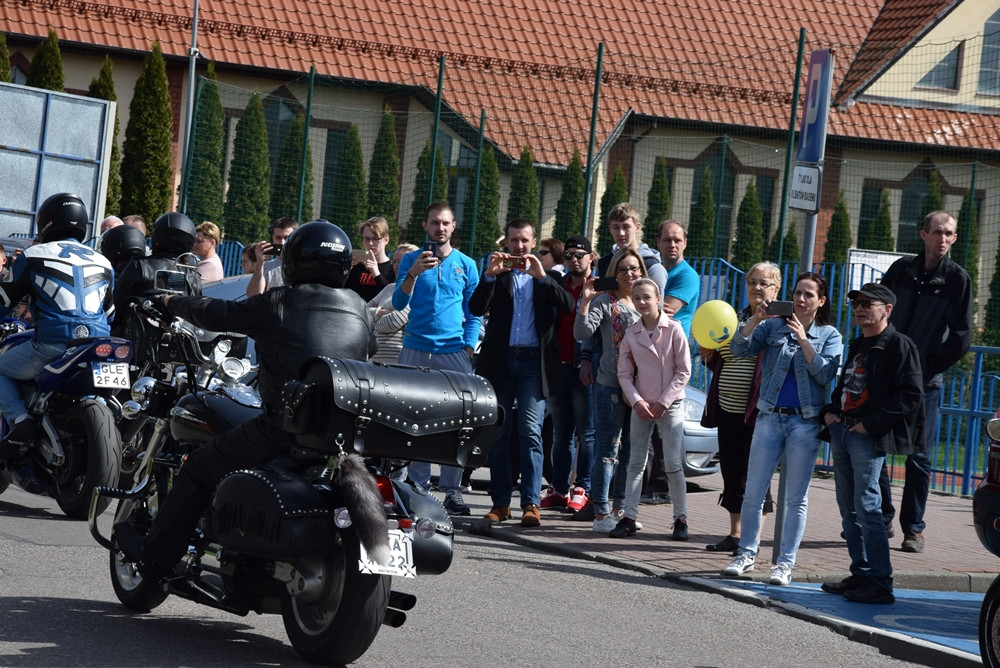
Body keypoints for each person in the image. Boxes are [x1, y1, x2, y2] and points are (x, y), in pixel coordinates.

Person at [113, 220, 376, 578]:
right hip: (339, 436)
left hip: (283, 429)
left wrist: (172, 300)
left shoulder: (280, 302)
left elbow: (217, 313)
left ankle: (156, 559)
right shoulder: (360, 308)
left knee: (197, 469)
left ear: (294, 262)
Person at [723, 271, 843, 586]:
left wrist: (804, 341)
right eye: (798, 293)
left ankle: (784, 564)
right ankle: (745, 554)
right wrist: (754, 320)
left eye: (808, 295)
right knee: (753, 491)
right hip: (769, 417)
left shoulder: (829, 335)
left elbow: (825, 374)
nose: (801, 300)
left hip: (804, 421)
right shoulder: (773, 326)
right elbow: (738, 349)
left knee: (795, 498)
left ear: (820, 301)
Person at [819, 283, 924, 605]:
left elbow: (911, 395)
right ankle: (861, 572)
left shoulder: (899, 346)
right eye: (856, 304)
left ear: (887, 310)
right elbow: (847, 385)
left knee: (867, 507)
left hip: (867, 437)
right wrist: (831, 413)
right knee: (847, 509)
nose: (860, 308)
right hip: (844, 432)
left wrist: (871, 425)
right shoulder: (859, 344)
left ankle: (880, 582)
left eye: (868, 303)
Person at [878, 210, 972, 554]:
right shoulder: (901, 270)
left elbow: (961, 337)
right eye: (938, 232)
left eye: (949, 233)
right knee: (877, 448)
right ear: (924, 234)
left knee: (919, 457)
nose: (943, 239)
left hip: (925, 384)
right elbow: (879, 310)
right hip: (887, 375)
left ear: (954, 238)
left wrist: (924, 367)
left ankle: (913, 529)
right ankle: (882, 517)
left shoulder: (957, 280)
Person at [470, 219, 574, 527]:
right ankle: (500, 503)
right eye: (514, 241)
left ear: (533, 242)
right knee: (499, 434)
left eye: (525, 241)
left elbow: (567, 304)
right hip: (500, 363)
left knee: (530, 432)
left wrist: (541, 277)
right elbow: (475, 308)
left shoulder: (548, 275)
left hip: (533, 363)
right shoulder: (497, 276)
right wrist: (489, 276)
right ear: (506, 243)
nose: (519, 247)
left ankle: (531, 503)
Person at [0, 193, 114, 451]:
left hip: (53, 344)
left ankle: (20, 422)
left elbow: (5, 300)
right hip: (97, 345)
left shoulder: (34, 254)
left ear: (46, 222)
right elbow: (110, 312)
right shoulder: (104, 261)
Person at [392, 202, 482, 516]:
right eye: (434, 223)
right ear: (425, 225)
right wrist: (413, 273)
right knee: (413, 419)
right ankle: (418, 489)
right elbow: (398, 300)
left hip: (453, 352)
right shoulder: (411, 260)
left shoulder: (467, 265)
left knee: (458, 422)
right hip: (415, 348)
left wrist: (468, 348)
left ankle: (453, 491)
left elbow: (475, 314)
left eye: (445, 223)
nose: (440, 228)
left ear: (453, 226)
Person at [701, 262, 780, 553]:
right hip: (726, 409)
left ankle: (753, 538)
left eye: (764, 283)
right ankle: (735, 534)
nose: (757, 288)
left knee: (755, 474)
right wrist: (707, 355)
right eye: (752, 283)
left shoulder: (778, 322)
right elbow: (723, 360)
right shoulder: (732, 318)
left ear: (776, 289)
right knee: (731, 472)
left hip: (758, 412)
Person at [573, 247, 645, 532]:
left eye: (634, 268)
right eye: (623, 269)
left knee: (631, 450)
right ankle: (601, 513)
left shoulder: (645, 300)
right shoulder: (606, 301)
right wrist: (585, 302)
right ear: (614, 272)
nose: (629, 274)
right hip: (610, 386)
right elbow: (582, 334)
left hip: (640, 388)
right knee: (608, 449)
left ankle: (621, 510)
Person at [613, 278, 691, 540]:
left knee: (672, 464)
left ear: (659, 299)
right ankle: (629, 517)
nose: (642, 302)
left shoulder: (674, 329)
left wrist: (663, 402)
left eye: (647, 297)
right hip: (642, 405)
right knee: (635, 463)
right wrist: (637, 401)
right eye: (637, 298)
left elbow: (683, 371)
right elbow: (624, 373)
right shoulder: (631, 333)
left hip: (669, 405)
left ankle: (680, 519)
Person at [640, 219, 702, 506]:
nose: (672, 245)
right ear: (658, 242)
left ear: (685, 243)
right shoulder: (656, 271)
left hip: (673, 358)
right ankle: (645, 485)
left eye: (677, 239)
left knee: (667, 425)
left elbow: (666, 309)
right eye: (667, 240)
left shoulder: (686, 275)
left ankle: (662, 487)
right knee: (648, 422)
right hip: (650, 355)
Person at [542, 235, 597, 513]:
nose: (574, 260)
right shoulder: (557, 285)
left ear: (591, 257)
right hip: (557, 366)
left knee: (587, 434)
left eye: (579, 255)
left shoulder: (597, 288)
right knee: (561, 434)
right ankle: (560, 489)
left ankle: (582, 488)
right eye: (569, 255)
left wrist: (588, 359)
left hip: (584, 369)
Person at [111, 212, 202, 364]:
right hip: (176, 352)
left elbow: (117, 305)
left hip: (133, 349)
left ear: (157, 235)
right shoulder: (193, 277)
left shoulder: (139, 265)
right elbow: (196, 315)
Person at [595, 203, 667, 296]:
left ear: (637, 227)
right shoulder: (603, 263)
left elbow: (656, 307)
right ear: (610, 229)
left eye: (626, 227)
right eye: (616, 227)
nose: (621, 233)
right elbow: (598, 300)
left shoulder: (652, 266)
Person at [367, 243, 417, 364]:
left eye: (401, 262)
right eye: (394, 262)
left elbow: (392, 322)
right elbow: (364, 311)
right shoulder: (389, 288)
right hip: (373, 360)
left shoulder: (417, 290)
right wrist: (381, 312)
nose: (396, 266)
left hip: (396, 362)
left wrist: (373, 322)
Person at [246, 217, 298, 297]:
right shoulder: (266, 267)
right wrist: (259, 265)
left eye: (287, 238)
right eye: (278, 238)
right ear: (273, 238)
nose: (282, 243)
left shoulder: (303, 266)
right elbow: (252, 296)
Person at [347, 217, 395, 302]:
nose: (370, 243)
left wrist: (376, 274)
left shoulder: (393, 268)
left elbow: (390, 299)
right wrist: (346, 271)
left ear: (386, 240)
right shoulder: (356, 265)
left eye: (376, 239)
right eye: (367, 238)